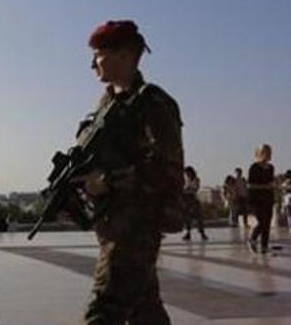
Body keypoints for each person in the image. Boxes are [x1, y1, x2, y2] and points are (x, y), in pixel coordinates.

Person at [77, 21, 184, 325]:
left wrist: (107, 181)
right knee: (145, 311)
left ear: (124, 56)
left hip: (137, 226)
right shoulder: (106, 104)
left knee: (102, 312)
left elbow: (169, 171)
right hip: (112, 223)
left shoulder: (153, 103)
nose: (92, 63)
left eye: (99, 54)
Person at [247, 144, 276, 254]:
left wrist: (272, 185)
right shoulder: (254, 167)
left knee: (267, 222)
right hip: (256, 199)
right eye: (267, 152)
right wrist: (265, 186)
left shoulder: (271, 167)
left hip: (268, 198)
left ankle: (264, 246)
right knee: (262, 222)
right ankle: (252, 239)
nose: (270, 155)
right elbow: (250, 185)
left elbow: (270, 182)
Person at [182, 166, 208, 241]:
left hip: (193, 199)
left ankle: (202, 233)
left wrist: (187, 189)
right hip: (186, 200)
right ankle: (188, 233)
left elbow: (195, 189)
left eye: (187, 173)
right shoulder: (186, 180)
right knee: (187, 218)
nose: (187, 174)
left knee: (198, 217)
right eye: (186, 173)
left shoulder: (196, 179)